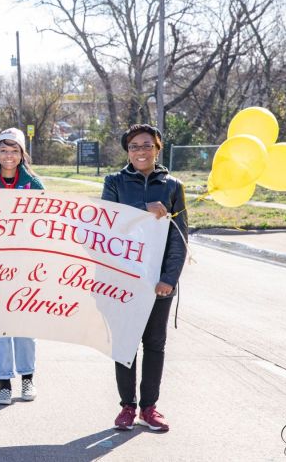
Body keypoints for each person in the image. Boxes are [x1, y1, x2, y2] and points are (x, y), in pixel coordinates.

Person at [102, 124, 187, 433]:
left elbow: (179, 237)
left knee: (154, 344)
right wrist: (143, 209)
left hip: (158, 282)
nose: (141, 151)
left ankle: (149, 408)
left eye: (147, 145)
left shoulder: (173, 186)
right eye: (134, 146)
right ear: (128, 151)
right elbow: (106, 223)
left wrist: (169, 278)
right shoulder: (114, 182)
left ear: (158, 148)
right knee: (125, 343)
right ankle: (127, 406)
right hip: (123, 279)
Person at [0, 127, 44, 405]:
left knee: (24, 324)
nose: (9, 155)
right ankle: (4, 382)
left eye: (14, 150)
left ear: (22, 154)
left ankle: (27, 379)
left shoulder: (34, 185)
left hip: (25, 268)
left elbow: (45, 225)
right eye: (3, 150)